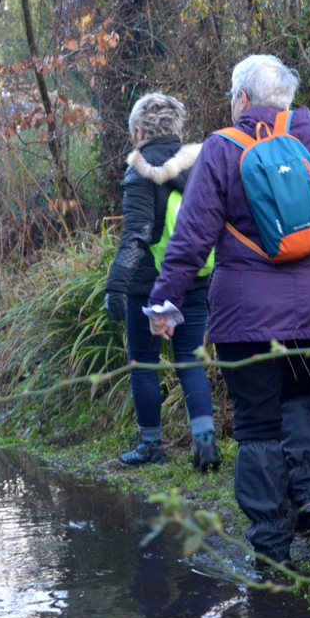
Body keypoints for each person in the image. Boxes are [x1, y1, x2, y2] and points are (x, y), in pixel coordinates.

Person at [145, 55, 310, 567]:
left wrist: (165, 300)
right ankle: (309, 493)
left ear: (243, 100)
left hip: (245, 319)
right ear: (286, 98)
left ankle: (271, 545)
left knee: (257, 425)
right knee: (300, 390)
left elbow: (192, 237)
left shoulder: (223, 148)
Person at [104, 92, 221, 472]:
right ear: (176, 127)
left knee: (144, 363)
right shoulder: (200, 161)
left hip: (149, 284)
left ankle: (151, 445)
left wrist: (116, 285)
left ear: (138, 131)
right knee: (190, 361)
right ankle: (205, 443)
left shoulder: (141, 168)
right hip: (197, 276)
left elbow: (137, 235)